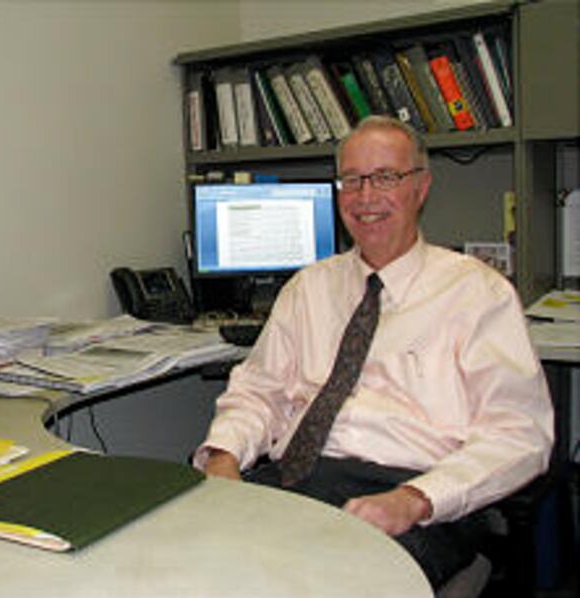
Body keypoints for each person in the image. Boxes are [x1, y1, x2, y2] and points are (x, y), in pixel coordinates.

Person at [193, 115, 554, 590]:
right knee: (193, 562)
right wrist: (224, 456)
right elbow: (259, 392)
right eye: (352, 180)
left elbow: (520, 435)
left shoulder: (478, 293)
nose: (365, 197)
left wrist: (414, 499)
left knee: (331, 584)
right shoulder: (308, 288)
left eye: (385, 177)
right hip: (295, 478)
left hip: (415, 490)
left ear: (421, 187)